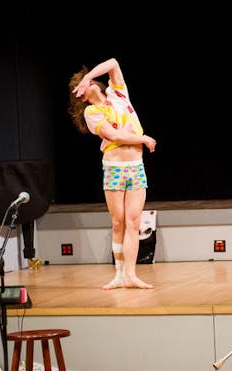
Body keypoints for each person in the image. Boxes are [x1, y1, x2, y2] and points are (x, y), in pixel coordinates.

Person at [68, 58, 156, 290]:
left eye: (86, 81)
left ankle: (131, 275)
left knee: (134, 221)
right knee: (118, 223)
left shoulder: (119, 94)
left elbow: (114, 63)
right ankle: (118, 275)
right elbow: (115, 136)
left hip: (136, 166)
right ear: (82, 97)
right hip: (115, 169)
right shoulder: (91, 112)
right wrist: (143, 138)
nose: (86, 83)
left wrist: (88, 76)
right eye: (81, 85)